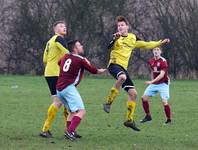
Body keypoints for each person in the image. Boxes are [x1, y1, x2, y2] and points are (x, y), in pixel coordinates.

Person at [103, 15, 170, 131]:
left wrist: (160, 43)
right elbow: (109, 46)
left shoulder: (133, 38)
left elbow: (146, 44)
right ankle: (108, 102)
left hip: (123, 68)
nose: (120, 27)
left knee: (133, 94)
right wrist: (115, 39)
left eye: (122, 25)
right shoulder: (117, 37)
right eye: (118, 25)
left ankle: (129, 120)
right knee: (122, 77)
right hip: (114, 65)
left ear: (127, 26)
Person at [56, 40, 106, 141]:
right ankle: (70, 132)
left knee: (72, 112)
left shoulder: (65, 56)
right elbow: (93, 70)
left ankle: (69, 131)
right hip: (68, 88)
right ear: (75, 48)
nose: (82, 46)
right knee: (81, 111)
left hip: (59, 89)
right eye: (79, 45)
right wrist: (100, 71)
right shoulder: (80, 59)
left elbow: (59, 63)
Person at [40, 21, 70, 138]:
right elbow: (67, 53)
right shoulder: (59, 39)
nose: (64, 28)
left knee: (61, 101)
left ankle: (68, 129)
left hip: (49, 72)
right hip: (56, 73)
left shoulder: (50, 41)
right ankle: (46, 129)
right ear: (55, 29)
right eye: (61, 26)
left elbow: (44, 59)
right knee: (61, 101)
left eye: (65, 26)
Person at [140, 47, 172, 124]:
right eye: (154, 50)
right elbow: (153, 72)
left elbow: (161, 75)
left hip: (163, 84)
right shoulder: (151, 61)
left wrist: (151, 81)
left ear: (160, 52)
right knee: (144, 98)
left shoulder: (163, 61)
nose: (156, 51)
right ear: (152, 51)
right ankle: (148, 116)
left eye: (158, 50)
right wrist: (152, 81)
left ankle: (169, 120)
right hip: (154, 84)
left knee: (164, 101)